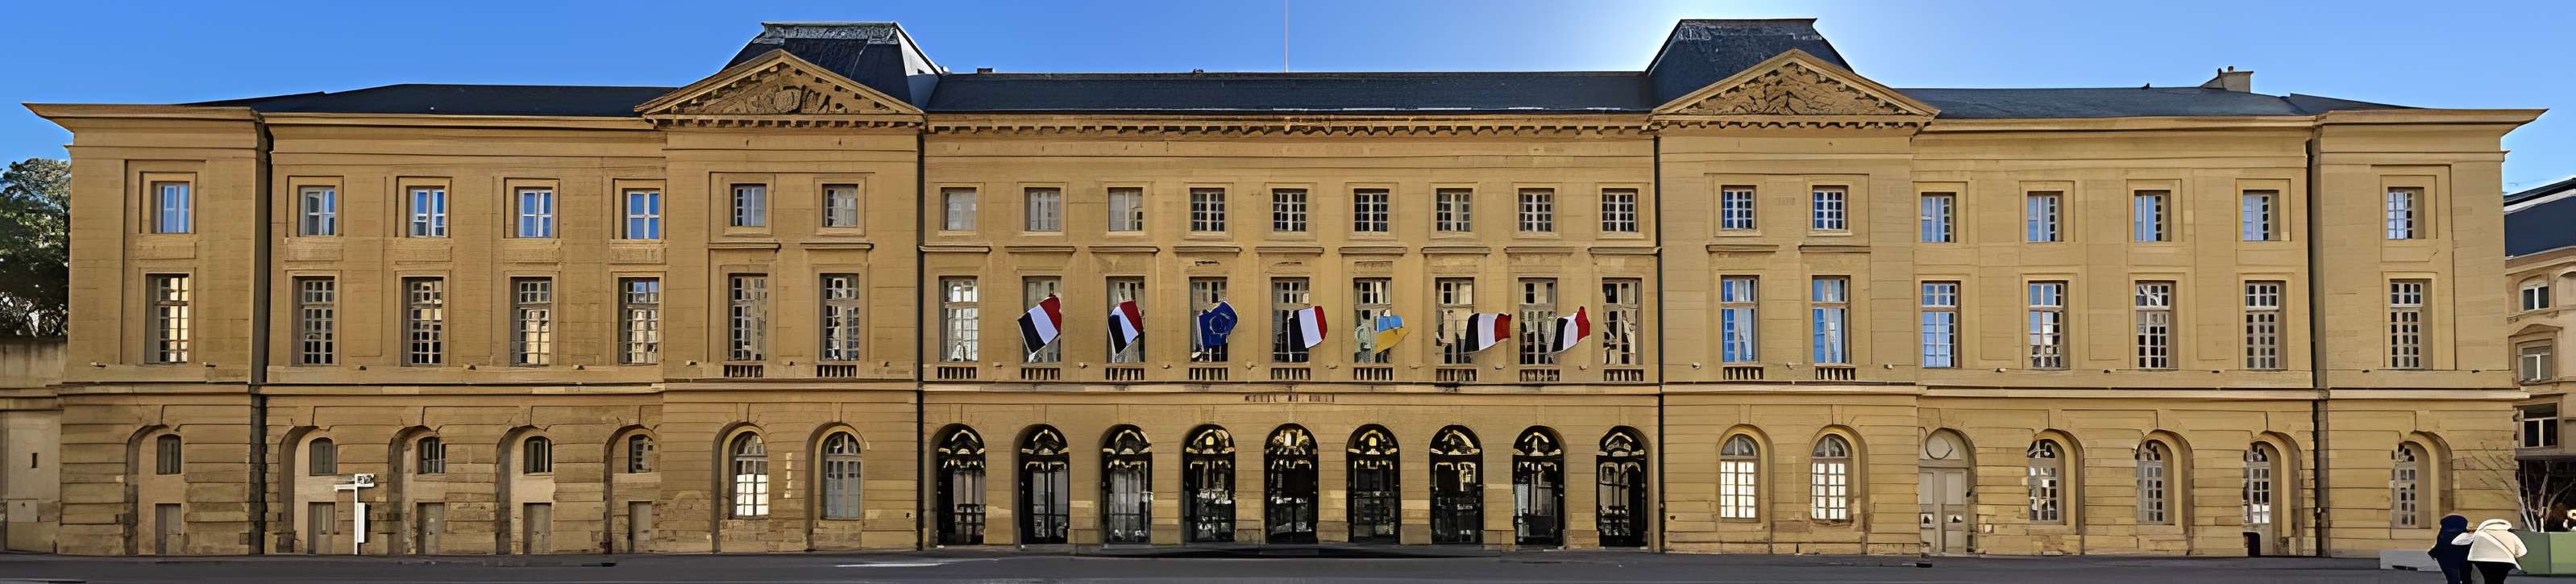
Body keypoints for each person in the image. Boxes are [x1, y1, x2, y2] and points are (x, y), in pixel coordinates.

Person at [2460, 518, 2529, 583]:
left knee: (2487, 578)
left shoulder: (2478, 534)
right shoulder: (2511, 535)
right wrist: (2514, 555)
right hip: (2504, 561)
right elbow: (2522, 551)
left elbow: (2467, 546)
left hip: (2481, 561)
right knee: (2499, 579)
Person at [2431, 515, 2474, 584]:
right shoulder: (2465, 535)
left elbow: (2440, 547)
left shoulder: (2444, 535)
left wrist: (2434, 552)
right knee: (2464, 578)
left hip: (2448, 558)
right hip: (2460, 558)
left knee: (2454, 579)